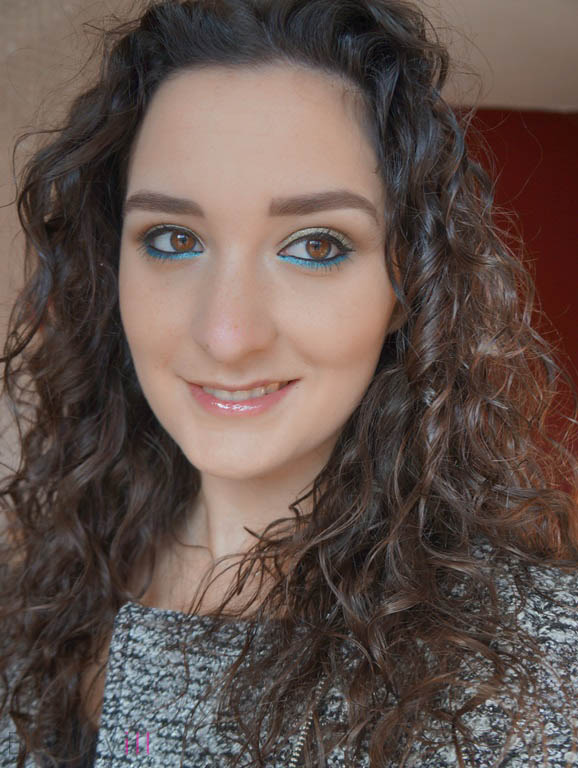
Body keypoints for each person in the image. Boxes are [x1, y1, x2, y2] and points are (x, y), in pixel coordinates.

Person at [0, 0, 577, 766]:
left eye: (315, 245)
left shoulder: (541, 669)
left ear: (407, 282)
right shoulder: (33, 602)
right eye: (173, 238)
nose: (227, 333)